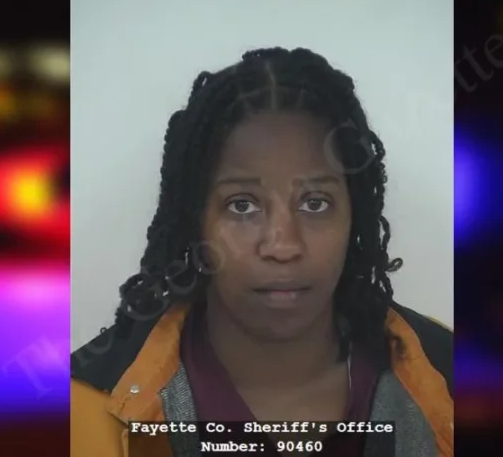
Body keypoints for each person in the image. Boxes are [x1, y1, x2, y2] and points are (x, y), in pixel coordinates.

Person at [71, 47, 453, 457]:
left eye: (315, 203)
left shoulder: (448, 369)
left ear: (353, 218)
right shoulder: (80, 403)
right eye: (242, 205)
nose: (282, 246)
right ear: (195, 220)